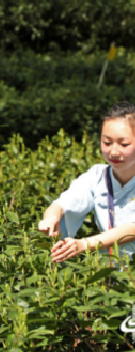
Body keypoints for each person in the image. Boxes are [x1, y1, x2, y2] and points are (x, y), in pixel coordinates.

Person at [39, 101, 135, 262]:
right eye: (107, 142)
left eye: (124, 144)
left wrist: (85, 244)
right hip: (112, 277)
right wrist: (51, 218)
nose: (113, 151)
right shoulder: (97, 176)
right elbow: (62, 203)